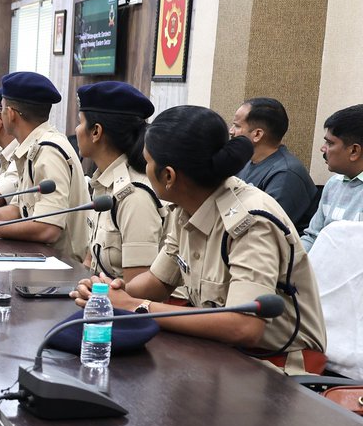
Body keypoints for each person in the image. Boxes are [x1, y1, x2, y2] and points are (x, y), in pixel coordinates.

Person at [72, 105, 326, 374]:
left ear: (169, 176)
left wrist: (136, 306)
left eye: (147, 162)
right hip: (224, 354)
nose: (144, 169)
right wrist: (106, 294)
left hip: (279, 366)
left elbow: (245, 326)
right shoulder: (187, 207)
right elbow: (158, 282)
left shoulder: (251, 222)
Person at [0, 72, 88, 261]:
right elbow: (17, 209)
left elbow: (48, 228)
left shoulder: (48, 151)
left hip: (61, 270)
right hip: (40, 258)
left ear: (10, 114)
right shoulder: (32, 147)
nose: (0, 114)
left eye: (1, 108)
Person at [76, 81, 165, 282]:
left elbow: (136, 287)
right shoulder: (103, 184)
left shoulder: (134, 195)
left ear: (96, 131)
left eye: (80, 122)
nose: (77, 129)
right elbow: (90, 263)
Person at [230, 98, 318, 231]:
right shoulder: (245, 162)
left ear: (257, 134)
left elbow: (266, 228)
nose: (231, 131)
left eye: (237, 126)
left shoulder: (286, 173)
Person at [302, 104, 363, 251]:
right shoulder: (333, 184)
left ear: (354, 151)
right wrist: (289, 261)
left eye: (330, 143)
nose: (323, 149)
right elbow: (312, 237)